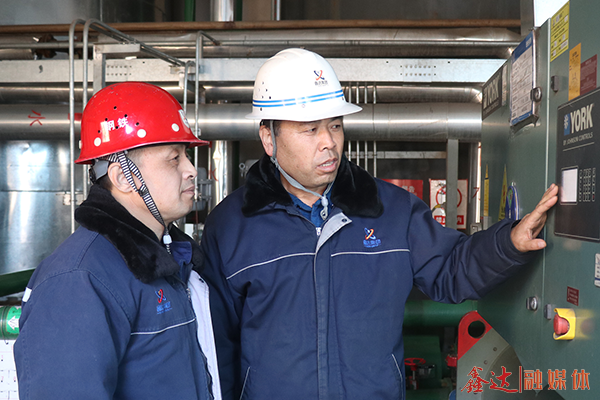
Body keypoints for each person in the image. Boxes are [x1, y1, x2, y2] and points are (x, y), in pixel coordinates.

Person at [200, 48, 558, 400]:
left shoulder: (391, 211)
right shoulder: (232, 226)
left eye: (335, 125)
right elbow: (217, 346)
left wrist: (509, 243)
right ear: (269, 138)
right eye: (310, 129)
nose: (329, 143)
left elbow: (451, 268)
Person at [14, 82, 221, 400]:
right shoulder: (78, 281)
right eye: (174, 158)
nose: (191, 170)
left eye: (187, 155)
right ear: (124, 177)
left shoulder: (169, 259)